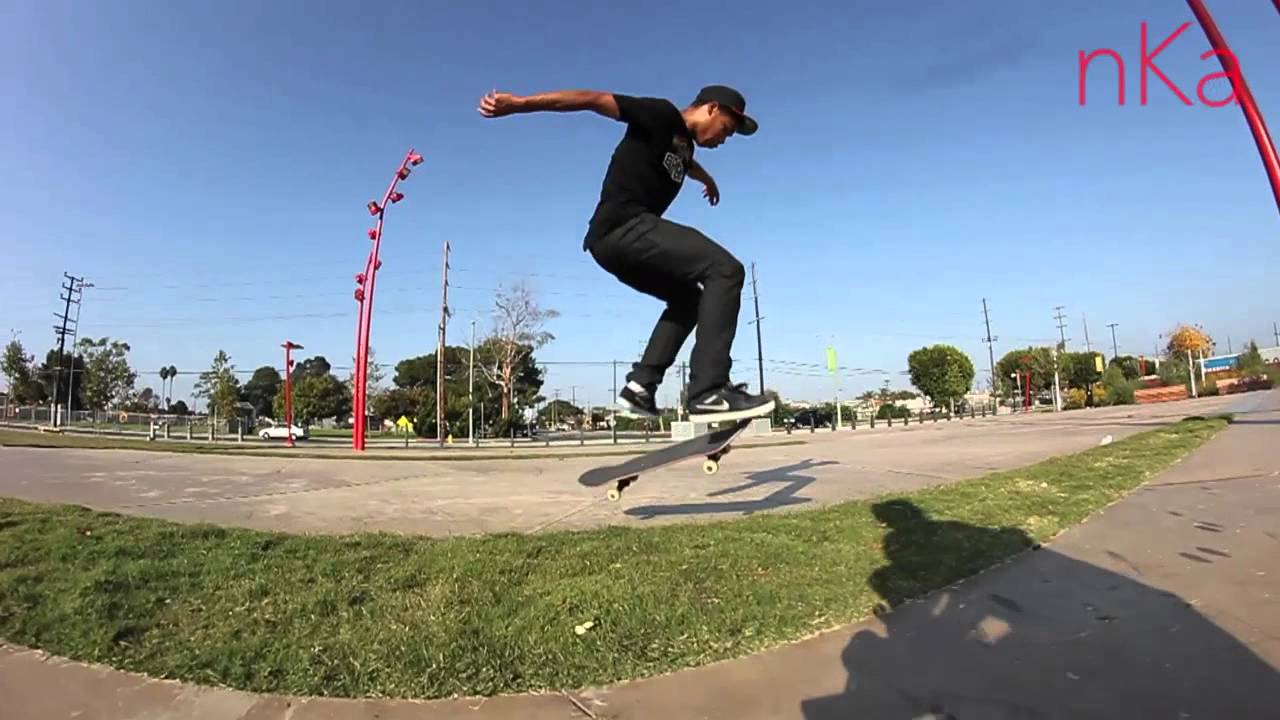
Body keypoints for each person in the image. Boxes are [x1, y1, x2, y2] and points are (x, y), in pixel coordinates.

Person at [478, 85, 776, 423]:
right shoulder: (660, 114)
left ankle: (641, 386)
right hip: (624, 226)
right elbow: (592, 100)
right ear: (711, 108)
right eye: (726, 129)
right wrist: (519, 104)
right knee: (725, 269)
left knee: (689, 301)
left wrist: (706, 178)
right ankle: (709, 390)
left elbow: (687, 162)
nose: (724, 140)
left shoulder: (684, 146)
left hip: (614, 245)